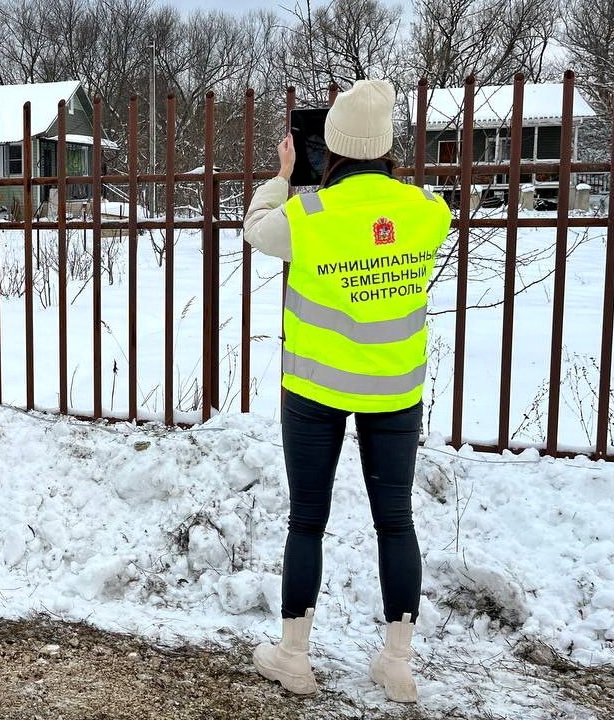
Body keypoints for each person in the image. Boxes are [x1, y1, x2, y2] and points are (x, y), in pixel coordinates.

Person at [242, 79, 452, 702]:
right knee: (396, 522)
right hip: (394, 391)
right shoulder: (426, 211)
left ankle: (295, 658)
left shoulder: (307, 217)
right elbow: (399, 218)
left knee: (308, 520)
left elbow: (257, 228)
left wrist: (283, 176)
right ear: (387, 146)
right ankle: (398, 663)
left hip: (315, 388)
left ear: (327, 145)